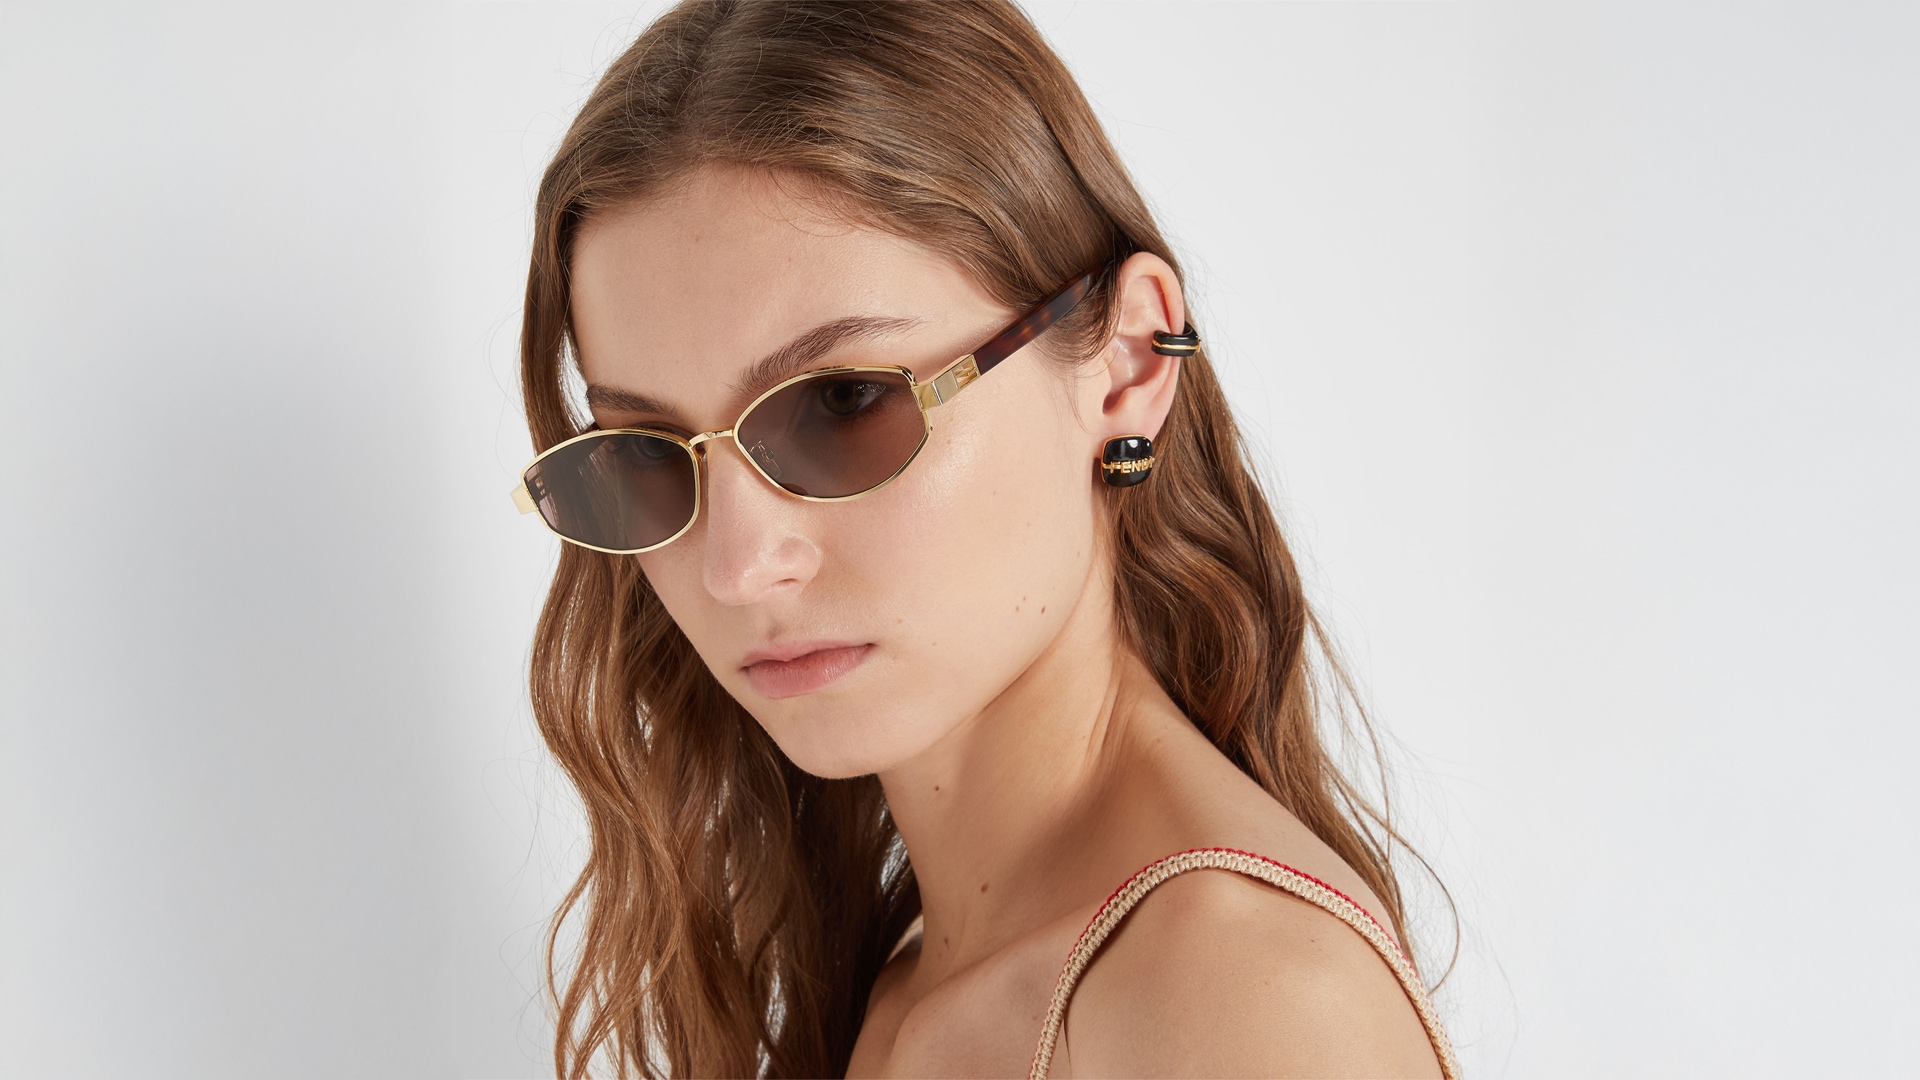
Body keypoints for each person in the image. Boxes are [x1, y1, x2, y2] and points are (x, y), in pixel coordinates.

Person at [509, 1, 1455, 1075]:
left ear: (1130, 361)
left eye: (844, 403)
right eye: (645, 454)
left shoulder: (1237, 996)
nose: (736, 566)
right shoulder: (905, 979)